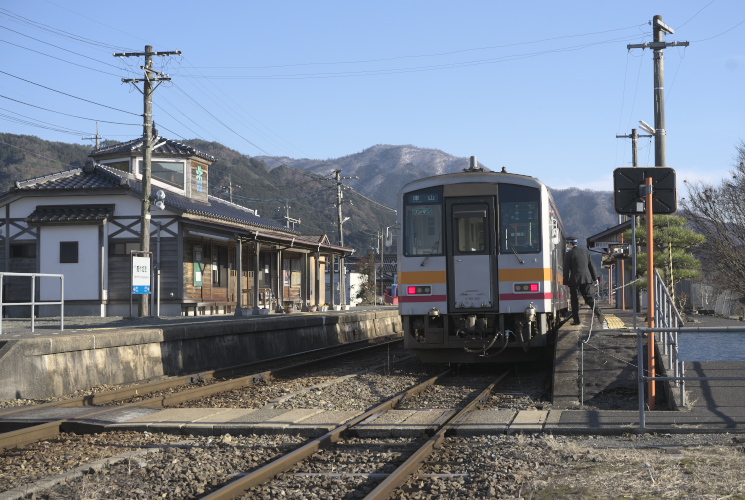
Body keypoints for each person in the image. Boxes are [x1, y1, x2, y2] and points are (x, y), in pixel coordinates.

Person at [563, 237, 608, 328]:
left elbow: (566, 269)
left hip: (574, 279)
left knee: (574, 300)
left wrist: (565, 282)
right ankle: (598, 312)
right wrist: (595, 278)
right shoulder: (585, 252)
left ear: (570, 244)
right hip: (587, 278)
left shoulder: (569, 254)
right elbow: (591, 266)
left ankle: (577, 321)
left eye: (568, 243)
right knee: (589, 297)